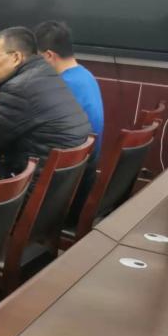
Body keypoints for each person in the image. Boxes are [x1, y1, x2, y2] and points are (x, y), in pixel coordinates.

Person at [0, 26, 91, 177]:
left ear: (16, 57)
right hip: (60, 182)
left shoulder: (20, 88)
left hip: (33, 184)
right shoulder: (46, 73)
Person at [36, 21, 105, 220]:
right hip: (82, 178)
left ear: (49, 56)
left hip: (65, 193)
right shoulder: (85, 75)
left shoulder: (62, 85)